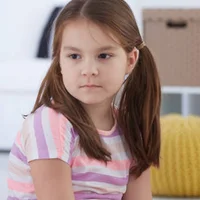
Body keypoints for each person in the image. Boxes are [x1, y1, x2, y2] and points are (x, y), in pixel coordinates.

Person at [6, 0, 162, 199]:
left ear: (130, 60)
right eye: (74, 56)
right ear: (59, 61)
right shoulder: (48, 124)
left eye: (104, 55)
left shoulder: (130, 128)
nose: (89, 70)